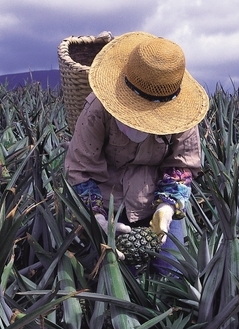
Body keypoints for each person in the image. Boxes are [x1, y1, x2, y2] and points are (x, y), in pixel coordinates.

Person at [64, 31, 209, 274]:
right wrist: (96, 216)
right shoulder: (97, 110)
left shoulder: (183, 118)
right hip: (108, 200)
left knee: (171, 271)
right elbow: (80, 169)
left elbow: (182, 165)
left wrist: (167, 207)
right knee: (114, 274)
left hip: (155, 196)